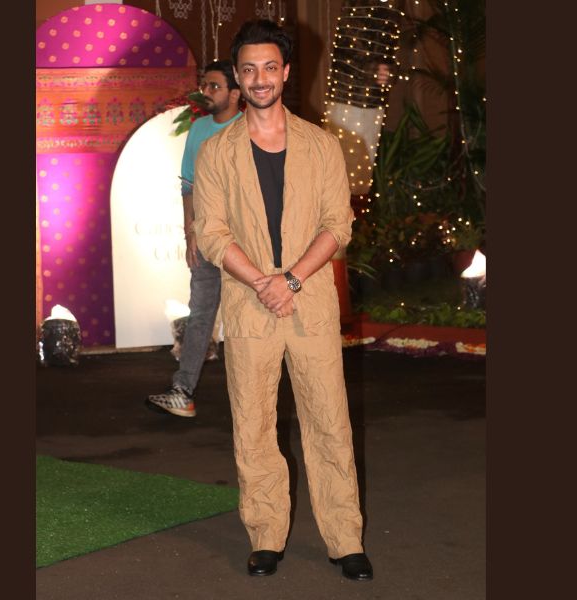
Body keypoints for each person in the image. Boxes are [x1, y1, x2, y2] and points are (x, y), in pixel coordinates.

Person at [193, 20, 374, 581]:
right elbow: (211, 233)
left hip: (309, 301)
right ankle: (265, 534)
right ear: (237, 76)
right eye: (248, 69)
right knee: (253, 425)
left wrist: (289, 280)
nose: (259, 79)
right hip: (249, 306)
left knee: (329, 421)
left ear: (286, 72)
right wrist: (262, 282)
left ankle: (345, 539)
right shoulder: (216, 152)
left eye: (270, 67)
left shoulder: (321, 145)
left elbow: (338, 224)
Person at [146, 59, 242, 418]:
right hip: (206, 239)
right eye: (205, 85)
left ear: (236, 93)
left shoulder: (250, 128)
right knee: (200, 315)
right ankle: (182, 391)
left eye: (214, 86)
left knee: (248, 319)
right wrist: (191, 234)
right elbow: (188, 185)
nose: (206, 92)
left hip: (246, 244)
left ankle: (254, 399)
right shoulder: (199, 128)